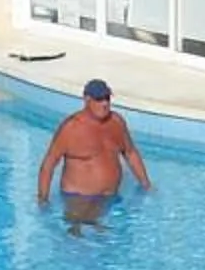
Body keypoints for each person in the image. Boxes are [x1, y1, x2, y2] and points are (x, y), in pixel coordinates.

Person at [36, 80, 154, 232]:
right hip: (78, 198)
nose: (104, 104)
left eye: (107, 98)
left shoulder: (116, 122)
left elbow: (130, 153)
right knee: (77, 241)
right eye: (99, 99)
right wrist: (43, 199)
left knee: (114, 241)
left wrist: (146, 185)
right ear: (87, 100)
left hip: (110, 198)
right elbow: (49, 164)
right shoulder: (71, 128)